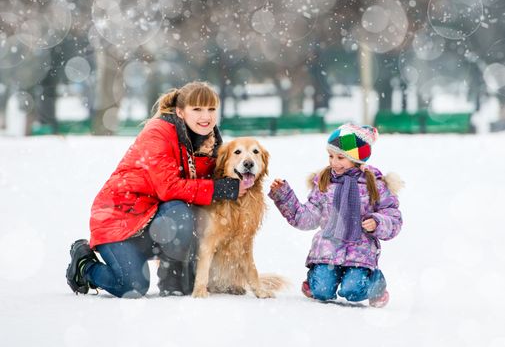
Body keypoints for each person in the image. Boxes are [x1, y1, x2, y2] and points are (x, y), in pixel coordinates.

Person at [66, 81, 250, 298]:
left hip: (154, 219)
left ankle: (174, 279)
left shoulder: (210, 142)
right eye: (197, 109)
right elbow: (168, 188)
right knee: (132, 287)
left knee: (185, 213)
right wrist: (221, 188)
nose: (206, 116)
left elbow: (199, 190)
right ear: (180, 112)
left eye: (211, 109)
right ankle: (84, 266)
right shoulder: (159, 132)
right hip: (120, 217)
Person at [268, 123, 402, 307]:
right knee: (322, 291)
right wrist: (284, 196)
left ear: (357, 160)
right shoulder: (324, 182)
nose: (334, 162)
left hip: (359, 253)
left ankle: (375, 285)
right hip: (328, 251)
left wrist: (378, 222)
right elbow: (306, 218)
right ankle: (317, 279)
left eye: (341, 157)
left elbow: (393, 217)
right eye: (331, 156)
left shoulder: (376, 185)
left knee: (353, 290)